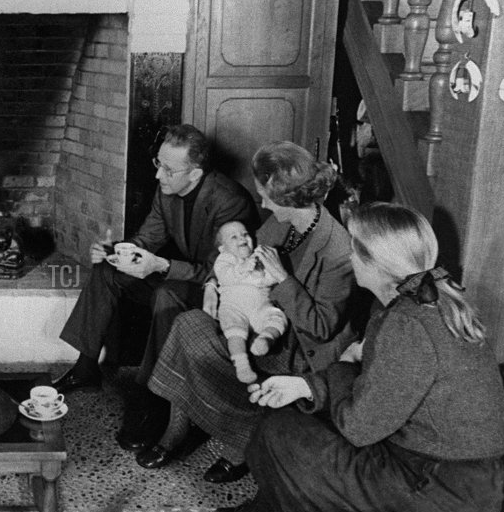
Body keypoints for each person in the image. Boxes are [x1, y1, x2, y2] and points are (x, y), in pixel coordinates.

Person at [223, 203, 504, 512]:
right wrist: (306, 386)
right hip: (462, 487)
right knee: (294, 416)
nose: (350, 257)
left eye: (355, 249)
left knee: (281, 432)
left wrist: (333, 372)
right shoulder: (428, 305)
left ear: (377, 264)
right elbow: (381, 394)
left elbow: (357, 427)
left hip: (439, 497)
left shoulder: (406, 324)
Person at [142, 141, 355, 483]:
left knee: (218, 348)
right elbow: (233, 256)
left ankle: (238, 444)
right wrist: (212, 284)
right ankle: (176, 430)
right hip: (253, 318)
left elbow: (322, 326)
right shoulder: (280, 224)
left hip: (296, 346)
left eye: (265, 196)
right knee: (187, 323)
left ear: (287, 197)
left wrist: (283, 279)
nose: (262, 203)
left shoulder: (337, 249)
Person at [53, 124, 257, 451]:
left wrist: (160, 265)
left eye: (168, 169)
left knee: (166, 294)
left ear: (195, 174)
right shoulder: (168, 188)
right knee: (107, 271)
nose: (158, 175)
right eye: (158, 164)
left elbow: (218, 273)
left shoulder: (230, 203)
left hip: (222, 291)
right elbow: (148, 237)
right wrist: (117, 252)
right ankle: (85, 367)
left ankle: (152, 401)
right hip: (184, 274)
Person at [209, 220, 288, 384]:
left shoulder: (258, 258)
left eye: (245, 234)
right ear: (222, 248)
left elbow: (270, 280)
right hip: (234, 306)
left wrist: (267, 272)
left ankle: (266, 338)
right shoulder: (225, 259)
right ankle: (242, 364)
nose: (242, 238)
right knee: (234, 330)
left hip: (260, 306)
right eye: (234, 237)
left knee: (277, 317)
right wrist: (244, 267)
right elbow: (224, 276)